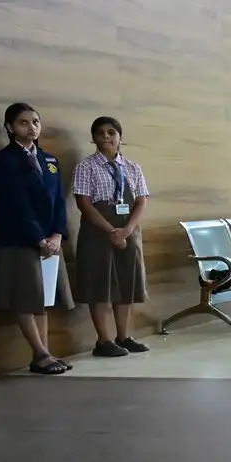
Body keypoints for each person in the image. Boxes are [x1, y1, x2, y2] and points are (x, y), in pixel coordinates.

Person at [0, 103, 74, 374]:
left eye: (35, 122)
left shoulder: (48, 160)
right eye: (24, 122)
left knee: (42, 298)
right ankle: (40, 353)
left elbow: (59, 202)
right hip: (18, 240)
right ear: (10, 127)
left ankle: (44, 354)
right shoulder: (3, 161)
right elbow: (15, 204)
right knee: (24, 297)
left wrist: (58, 234)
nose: (31, 127)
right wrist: (39, 239)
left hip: (50, 241)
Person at [71, 116, 151, 357]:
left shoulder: (133, 167)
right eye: (100, 133)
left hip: (128, 231)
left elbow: (141, 201)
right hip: (98, 233)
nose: (106, 137)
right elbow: (83, 203)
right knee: (100, 285)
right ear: (93, 138)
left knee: (127, 283)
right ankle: (103, 340)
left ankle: (124, 336)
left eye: (111, 132)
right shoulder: (86, 167)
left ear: (120, 137)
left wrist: (126, 231)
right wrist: (110, 231)